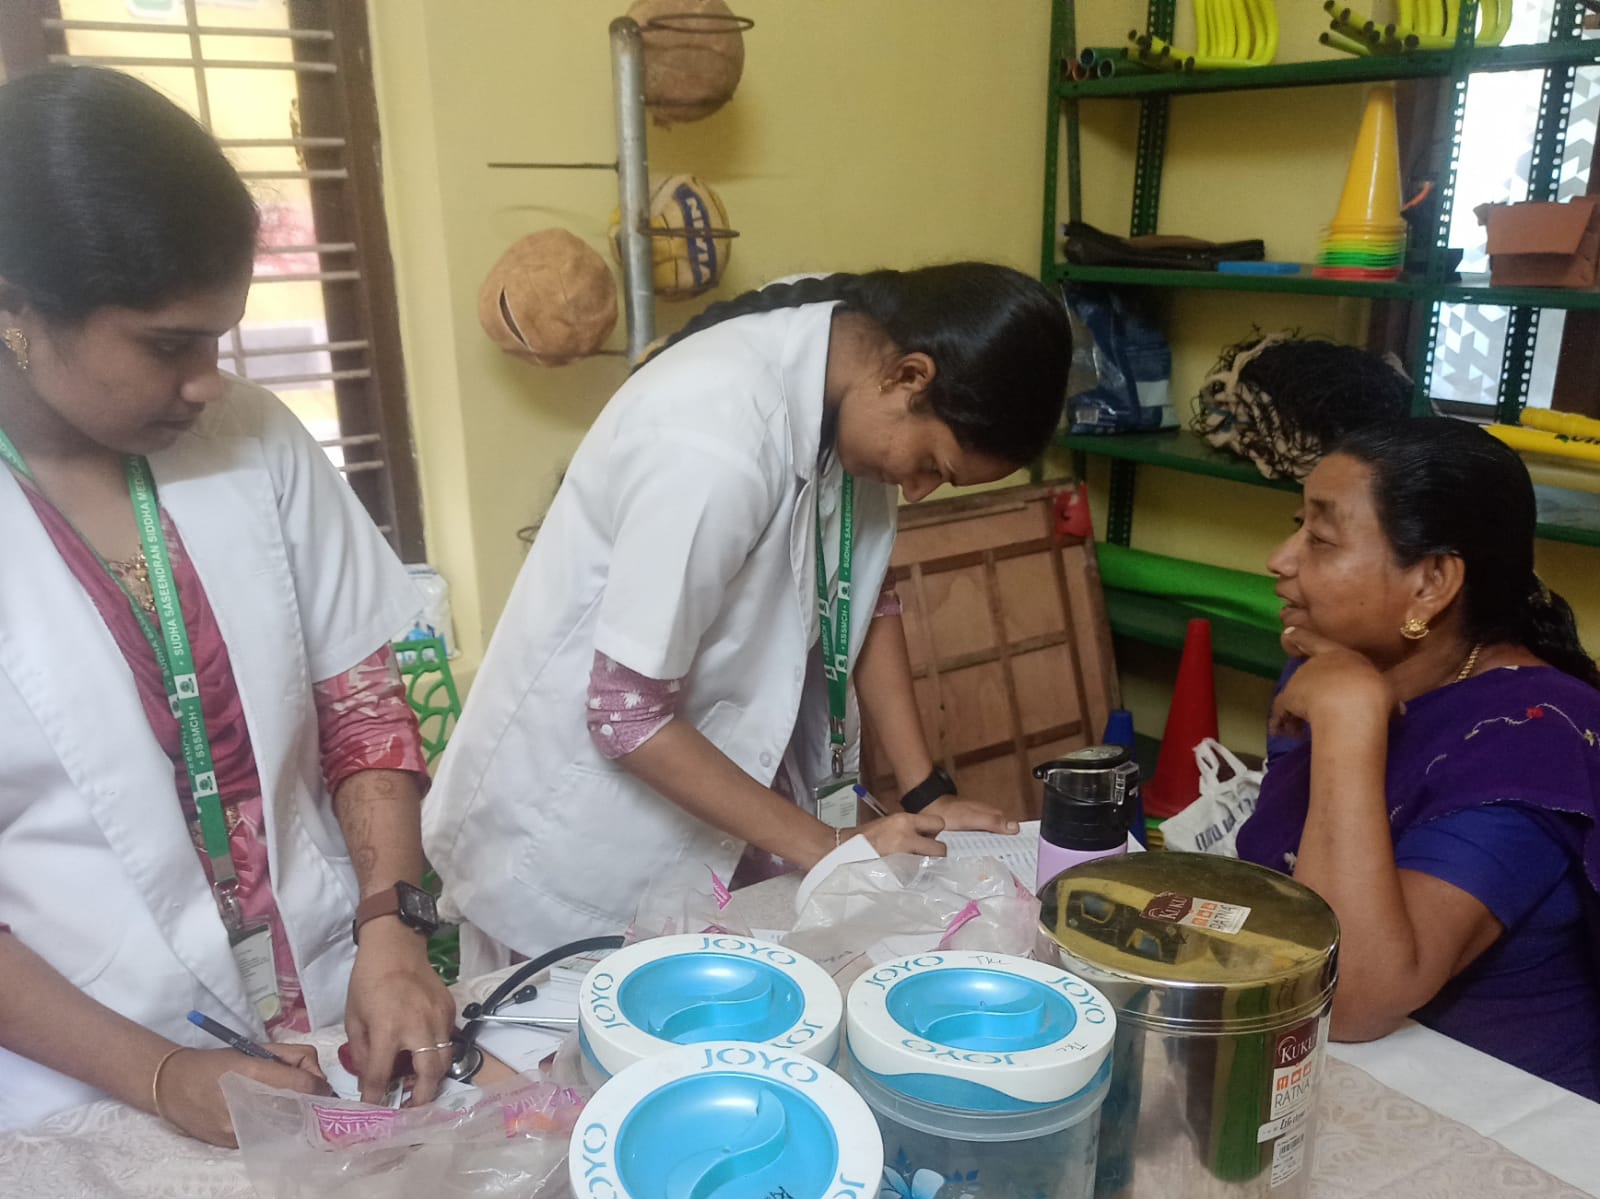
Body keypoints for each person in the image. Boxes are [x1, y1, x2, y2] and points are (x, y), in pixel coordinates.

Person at [0, 66, 456, 1142]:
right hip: (91, 1063)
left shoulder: (251, 437)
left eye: (221, 336)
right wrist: (162, 1076)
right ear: (14, 311)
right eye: (169, 345)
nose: (209, 380)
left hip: (335, 997)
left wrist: (394, 925)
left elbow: (363, 703)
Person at [425, 264, 1073, 968]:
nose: (917, 492)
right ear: (910, 376)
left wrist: (924, 794)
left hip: (723, 815)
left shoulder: (854, 374)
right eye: (933, 466)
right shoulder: (715, 435)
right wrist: (832, 848)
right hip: (571, 840)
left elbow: (865, 595)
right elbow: (625, 715)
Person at [1236, 416, 1600, 1100]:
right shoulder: (1337, 668)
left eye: (1321, 539)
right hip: (1323, 1068)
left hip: (1499, 1116)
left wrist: (1349, 719)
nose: (1280, 560)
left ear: (1432, 583)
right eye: (1297, 527)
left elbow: (1349, 998)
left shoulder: (1531, 737)